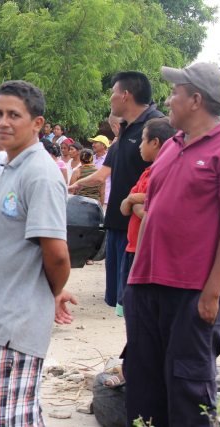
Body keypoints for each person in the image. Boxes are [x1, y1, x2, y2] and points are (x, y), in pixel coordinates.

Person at [123, 63, 220, 426]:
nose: (168, 99)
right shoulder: (172, 145)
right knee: (143, 388)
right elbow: (153, 209)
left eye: (175, 92)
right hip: (147, 288)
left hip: (192, 292)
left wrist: (211, 294)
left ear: (195, 99)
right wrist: (134, 277)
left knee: (188, 391)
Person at [0, 80, 76, 426]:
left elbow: (58, 255)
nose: (2, 122)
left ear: (37, 124)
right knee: (19, 417)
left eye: (13, 115)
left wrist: (53, 290)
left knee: (7, 421)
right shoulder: (11, 166)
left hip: (15, 322)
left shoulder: (40, 174)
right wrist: (55, 291)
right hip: (0, 319)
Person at [68, 71, 163, 313]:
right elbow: (102, 174)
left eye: (112, 93)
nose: (110, 98)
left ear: (125, 95)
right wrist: (73, 186)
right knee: (118, 300)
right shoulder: (122, 132)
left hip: (140, 227)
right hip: (117, 222)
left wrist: (138, 203)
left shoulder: (157, 128)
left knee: (136, 301)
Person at [119, 118, 175, 312]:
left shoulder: (168, 173)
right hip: (132, 246)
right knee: (128, 306)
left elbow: (148, 213)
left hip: (148, 250)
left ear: (155, 142)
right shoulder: (146, 173)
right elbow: (124, 207)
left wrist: (133, 199)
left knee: (142, 307)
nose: (140, 146)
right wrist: (135, 199)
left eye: (143, 140)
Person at [88, 134, 111, 209]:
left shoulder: (110, 159)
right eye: (93, 143)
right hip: (90, 196)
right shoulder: (90, 159)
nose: (93, 145)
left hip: (105, 199)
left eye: (95, 143)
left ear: (103, 145)